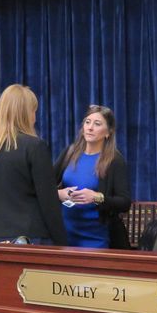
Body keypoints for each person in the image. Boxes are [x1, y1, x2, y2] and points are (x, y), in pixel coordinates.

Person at [0, 84, 67, 245]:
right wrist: (63, 245)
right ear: (25, 114)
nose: (35, 117)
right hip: (29, 238)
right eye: (33, 111)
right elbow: (48, 203)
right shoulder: (35, 147)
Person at [54, 105, 131, 248]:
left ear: (108, 132)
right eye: (87, 122)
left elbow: (125, 202)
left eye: (97, 124)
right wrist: (59, 193)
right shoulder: (69, 153)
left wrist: (96, 197)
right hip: (65, 234)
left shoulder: (115, 160)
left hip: (97, 237)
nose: (90, 128)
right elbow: (44, 186)